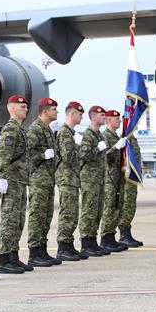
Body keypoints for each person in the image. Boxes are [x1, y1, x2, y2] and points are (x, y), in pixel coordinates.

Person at [0, 95, 33, 274]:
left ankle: (13, 256)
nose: (25, 109)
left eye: (26, 106)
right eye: (21, 106)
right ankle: (5, 259)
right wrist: (2, 177)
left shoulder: (20, 129)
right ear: (12, 109)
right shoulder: (10, 129)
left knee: (18, 220)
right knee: (9, 220)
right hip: (11, 180)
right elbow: (4, 154)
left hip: (20, 180)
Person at [25, 97, 62, 267]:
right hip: (38, 180)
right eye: (54, 109)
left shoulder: (47, 129)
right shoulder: (35, 129)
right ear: (45, 111)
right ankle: (34, 252)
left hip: (48, 180)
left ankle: (42, 250)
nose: (57, 112)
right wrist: (42, 155)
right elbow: (28, 156)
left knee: (46, 216)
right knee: (37, 216)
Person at [76, 105, 113, 257]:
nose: (104, 117)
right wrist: (98, 149)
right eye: (101, 114)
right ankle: (86, 243)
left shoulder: (99, 135)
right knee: (89, 211)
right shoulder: (88, 135)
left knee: (97, 211)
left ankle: (93, 241)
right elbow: (84, 155)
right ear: (93, 117)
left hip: (99, 179)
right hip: (89, 179)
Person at [54, 101, 86, 261]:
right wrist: (78, 146)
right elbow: (68, 157)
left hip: (72, 178)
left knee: (73, 213)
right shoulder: (65, 133)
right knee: (67, 213)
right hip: (66, 178)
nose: (81, 117)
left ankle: (68, 244)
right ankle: (63, 247)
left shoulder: (71, 133)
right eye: (79, 114)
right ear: (72, 114)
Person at [99, 110, 129, 252]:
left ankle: (111, 237)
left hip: (118, 177)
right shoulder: (105, 136)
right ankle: (105, 238)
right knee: (109, 207)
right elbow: (104, 156)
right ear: (108, 120)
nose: (119, 121)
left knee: (117, 207)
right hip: (109, 178)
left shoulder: (115, 136)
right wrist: (116, 147)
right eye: (116, 118)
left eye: (119, 118)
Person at [117, 131, 144, 247]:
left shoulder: (132, 138)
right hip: (127, 178)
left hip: (132, 179)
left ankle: (127, 233)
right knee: (127, 204)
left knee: (131, 205)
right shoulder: (124, 138)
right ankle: (124, 235)